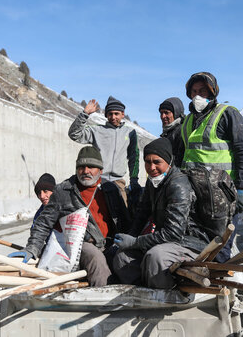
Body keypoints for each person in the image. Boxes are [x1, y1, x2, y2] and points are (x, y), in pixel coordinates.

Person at [20, 146, 130, 286]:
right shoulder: (64, 190)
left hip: (110, 244)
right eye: (81, 167)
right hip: (80, 246)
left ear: (100, 170)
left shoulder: (110, 189)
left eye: (91, 167)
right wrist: (32, 248)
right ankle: (103, 299)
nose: (85, 171)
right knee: (94, 257)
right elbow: (43, 223)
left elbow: (125, 221)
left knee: (126, 260)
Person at [112, 138, 205, 289]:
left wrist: (135, 242)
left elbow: (174, 233)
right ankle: (143, 293)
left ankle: (165, 297)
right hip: (167, 241)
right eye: (147, 162)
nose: (152, 167)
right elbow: (142, 215)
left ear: (168, 161)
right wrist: (126, 241)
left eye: (157, 162)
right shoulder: (153, 182)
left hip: (188, 242)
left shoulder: (178, 185)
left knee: (155, 257)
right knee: (122, 258)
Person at [180, 72, 243, 260]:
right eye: (194, 91)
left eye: (203, 91)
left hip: (223, 195)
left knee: (220, 247)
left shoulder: (227, 113)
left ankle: (217, 284)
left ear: (212, 92)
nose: (198, 95)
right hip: (196, 196)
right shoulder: (187, 121)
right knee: (197, 243)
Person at [68, 96, 140, 207]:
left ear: (122, 114)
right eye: (110, 114)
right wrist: (84, 114)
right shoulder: (96, 130)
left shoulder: (130, 133)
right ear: (106, 115)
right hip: (97, 182)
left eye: (116, 114)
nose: (113, 117)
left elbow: (134, 158)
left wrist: (134, 179)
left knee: (122, 217)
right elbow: (74, 134)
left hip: (118, 183)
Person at [158, 97, 185, 168]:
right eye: (161, 113)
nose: (163, 116)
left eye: (166, 113)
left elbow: (180, 160)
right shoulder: (168, 132)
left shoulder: (181, 131)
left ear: (176, 113)